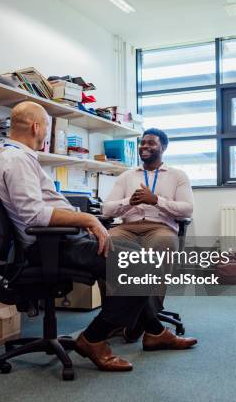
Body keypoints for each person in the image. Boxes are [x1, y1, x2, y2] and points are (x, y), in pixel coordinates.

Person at [0, 102, 195, 372]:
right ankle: (93, 338)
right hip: (51, 244)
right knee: (143, 267)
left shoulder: (15, 158)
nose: (47, 135)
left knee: (137, 262)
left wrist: (82, 220)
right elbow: (34, 215)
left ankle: (154, 331)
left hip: (60, 239)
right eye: (47, 128)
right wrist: (86, 218)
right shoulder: (17, 161)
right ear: (37, 127)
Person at [102, 127, 196, 341]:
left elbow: (187, 209)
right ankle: (117, 318)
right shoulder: (127, 176)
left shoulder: (177, 176)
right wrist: (130, 201)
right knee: (107, 246)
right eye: (142, 143)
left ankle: (142, 319)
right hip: (127, 227)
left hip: (160, 227)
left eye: (151, 143)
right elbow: (106, 209)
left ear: (163, 147)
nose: (145, 147)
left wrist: (156, 201)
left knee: (160, 247)